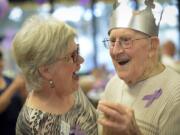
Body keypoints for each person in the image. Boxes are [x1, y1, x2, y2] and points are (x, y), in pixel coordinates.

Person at [97, 0, 180, 135]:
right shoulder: (113, 85)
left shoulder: (175, 94)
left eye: (126, 41)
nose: (115, 51)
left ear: (152, 46)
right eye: (112, 41)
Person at [12, 14, 98, 135]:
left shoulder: (69, 88)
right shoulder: (35, 126)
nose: (81, 60)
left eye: (77, 50)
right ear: (46, 70)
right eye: (72, 56)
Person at [0, 49, 26, 135]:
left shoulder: (10, 80)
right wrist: (14, 87)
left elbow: (23, 106)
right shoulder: (14, 84)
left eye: (1, 59)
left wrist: (24, 93)